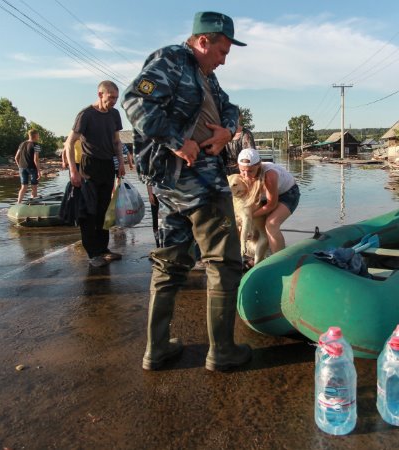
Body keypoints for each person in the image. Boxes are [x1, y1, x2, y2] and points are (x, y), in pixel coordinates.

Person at [122, 11, 251, 372]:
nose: (225, 59)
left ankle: (158, 349)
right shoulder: (172, 61)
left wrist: (226, 131)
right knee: (223, 263)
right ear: (202, 41)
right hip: (196, 184)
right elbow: (134, 101)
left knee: (171, 264)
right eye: (222, 50)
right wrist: (179, 142)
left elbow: (230, 108)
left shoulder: (205, 75)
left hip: (175, 188)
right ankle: (222, 352)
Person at [64, 80, 125, 268]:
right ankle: (92, 253)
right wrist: (73, 171)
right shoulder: (86, 114)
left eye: (116, 97)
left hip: (107, 166)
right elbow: (69, 143)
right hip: (88, 167)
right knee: (89, 212)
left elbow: (116, 142)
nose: (114, 101)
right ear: (100, 94)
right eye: (111, 97)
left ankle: (103, 249)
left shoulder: (115, 114)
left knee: (105, 211)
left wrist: (121, 163)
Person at [237, 148, 300, 253]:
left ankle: (279, 259)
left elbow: (271, 205)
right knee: (244, 223)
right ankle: (252, 256)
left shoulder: (269, 175)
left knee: (271, 224)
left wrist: (249, 216)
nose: (246, 175)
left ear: (258, 165)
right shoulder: (240, 176)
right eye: (242, 170)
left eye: (250, 171)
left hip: (287, 194)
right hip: (264, 197)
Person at [223, 109, 255, 175]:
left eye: (234, 117)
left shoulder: (246, 134)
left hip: (242, 171)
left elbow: (249, 157)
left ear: (239, 117)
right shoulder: (221, 133)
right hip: (224, 171)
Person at [14, 129, 41, 204]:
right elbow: (36, 160)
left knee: (23, 187)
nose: (38, 136)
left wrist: (19, 166)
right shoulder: (36, 145)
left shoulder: (22, 144)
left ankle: (18, 203)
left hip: (22, 168)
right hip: (32, 168)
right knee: (34, 187)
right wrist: (39, 171)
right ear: (35, 135)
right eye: (38, 135)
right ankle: (34, 204)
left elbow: (16, 157)